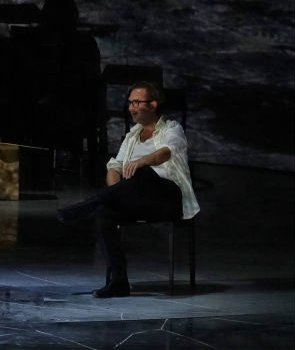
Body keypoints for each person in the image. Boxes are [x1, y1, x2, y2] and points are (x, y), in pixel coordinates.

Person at [57, 81, 199, 298]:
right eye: (130, 103)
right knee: (104, 210)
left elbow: (165, 153)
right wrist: (117, 192)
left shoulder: (172, 129)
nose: (131, 108)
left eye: (137, 103)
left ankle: (84, 206)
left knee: (144, 173)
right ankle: (119, 281)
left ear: (153, 104)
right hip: (137, 197)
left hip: (167, 199)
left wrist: (142, 161)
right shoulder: (132, 135)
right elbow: (115, 167)